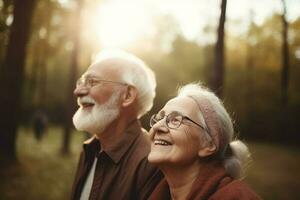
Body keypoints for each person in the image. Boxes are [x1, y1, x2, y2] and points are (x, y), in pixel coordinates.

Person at [70, 50, 162, 200]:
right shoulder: (88, 150)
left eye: (92, 82)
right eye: (81, 82)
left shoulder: (151, 162)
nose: (78, 91)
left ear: (127, 95)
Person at [147, 83, 262, 200]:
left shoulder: (238, 197)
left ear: (208, 144)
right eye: (159, 118)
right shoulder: (154, 192)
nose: (157, 126)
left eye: (175, 120)